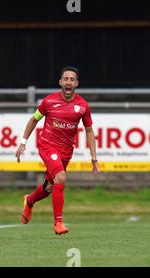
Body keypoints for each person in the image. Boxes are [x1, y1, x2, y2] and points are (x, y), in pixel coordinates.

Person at [15, 66, 99, 235]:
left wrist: (94, 157)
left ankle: (29, 201)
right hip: (47, 146)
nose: (68, 82)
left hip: (66, 151)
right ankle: (58, 223)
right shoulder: (49, 102)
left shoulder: (82, 106)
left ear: (77, 83)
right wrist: (23, 142)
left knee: (50, 187)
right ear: (60, 82)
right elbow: (34, 120)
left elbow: (89, 130)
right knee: (61, 177)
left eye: (72, 79)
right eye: (66, 79)